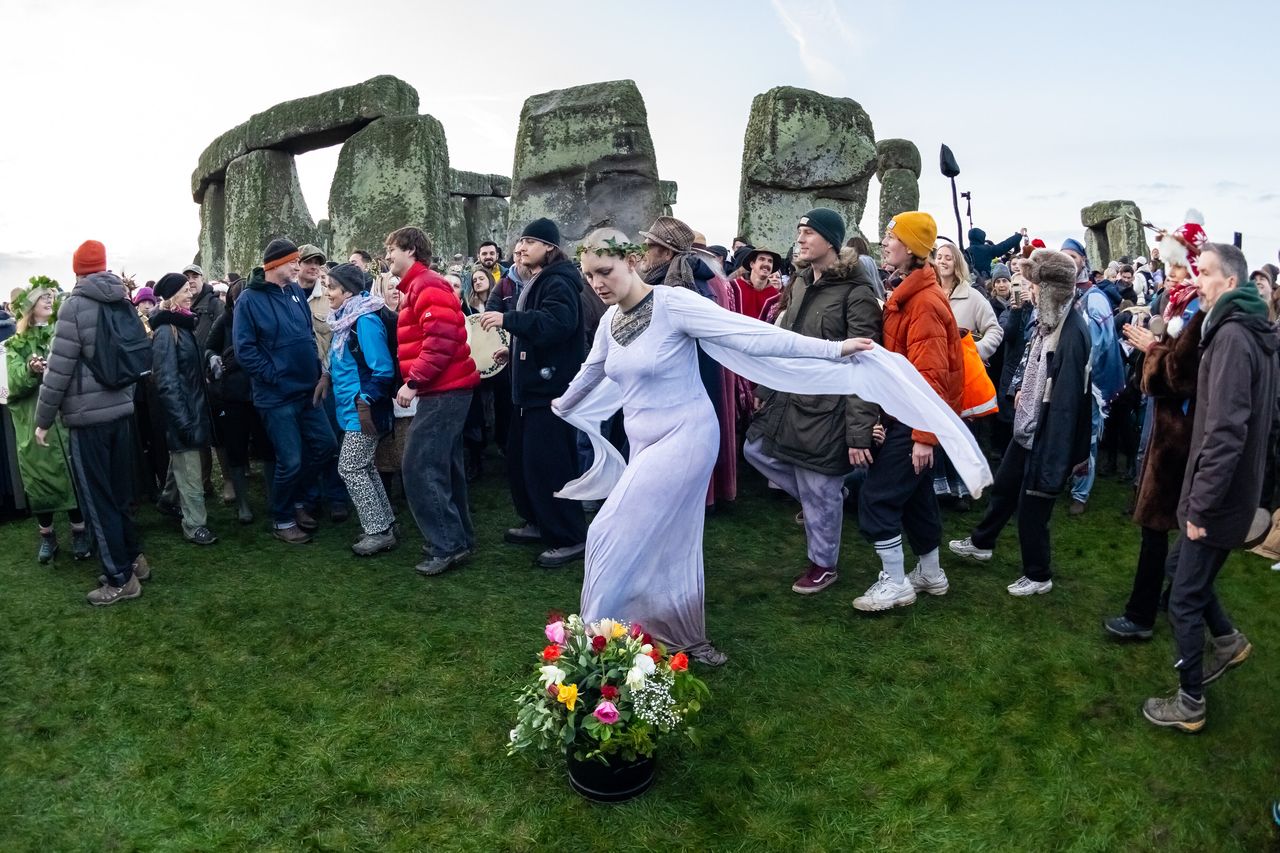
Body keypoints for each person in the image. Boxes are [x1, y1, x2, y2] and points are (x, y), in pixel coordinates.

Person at [556, 229, 879, 664]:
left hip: (686, 436)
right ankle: (679, 634)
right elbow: (591, 371)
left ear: (631, 261)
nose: (596, 283)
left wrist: (833, 349)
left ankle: (588, 645)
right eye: (589, 275)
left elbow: (750, 334)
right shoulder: (610, 322)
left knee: (605, 530)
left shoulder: (673, 303)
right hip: (644, 442)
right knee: (669, 540)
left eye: (604, 271)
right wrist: (561, 404)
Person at [1143, 243, 1277, 732]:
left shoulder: (1233, 338)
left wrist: (1200, 506)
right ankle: (1227, 640)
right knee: (1181, 571)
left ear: (1230, 282)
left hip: (1218, 500)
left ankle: (1190, 701)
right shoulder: (1246, 332)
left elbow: (1226, 431)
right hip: (1231, 495)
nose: (1195, 281)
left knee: (1183, 598)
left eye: (1204, 273)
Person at [744, 209, 881, 595]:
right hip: (788, 397)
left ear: (831, 242)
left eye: (809, 232)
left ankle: (824, 565)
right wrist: (765, 389)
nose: (800, 238)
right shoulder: (802, 282)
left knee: (819, 485)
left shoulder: (857, 293)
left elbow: (865, 364)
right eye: (799, 231)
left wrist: (859, 431)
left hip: (828, 407)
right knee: (755, 449)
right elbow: (785, 343)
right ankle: (829, 499)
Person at [948, 250, 1092, 595]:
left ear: (1051, 290)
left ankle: (1039, 575)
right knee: (1005, 487)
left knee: (1032, 509)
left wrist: (1054, 459)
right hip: (1027, 427)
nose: (1029, 291)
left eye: (1035, 286)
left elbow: (1067, 406)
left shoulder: (1071, 335)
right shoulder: (1049, 323)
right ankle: (982, 543)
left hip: (1046, 436)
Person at [853, 212, 964, 612]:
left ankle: (896, 583)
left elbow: (930, 377)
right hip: (909, 415)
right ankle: (930, 574)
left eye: (892, 237)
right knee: (917, 499)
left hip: (915, 418)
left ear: (912, 248)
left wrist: (923, 437)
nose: (885, 243)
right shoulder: (912, 293)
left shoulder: (924, 303)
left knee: (877, 497)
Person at [35, 240, 151, 605]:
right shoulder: (121, 299)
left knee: (98, 501)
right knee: (120, 494)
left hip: (88, 420)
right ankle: (134, 560)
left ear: (77, 270)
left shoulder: (74, 306)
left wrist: (43, 419)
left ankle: (119, 579)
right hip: (121, 411)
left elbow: (58, 370)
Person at [478, 218, 588, 568]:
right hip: (531, 391)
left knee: (552, 466)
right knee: (525, 463)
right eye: (521, 241)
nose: (521, 247)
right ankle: (540, 522)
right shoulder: (541, 278)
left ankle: (570, 537)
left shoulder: (558, 281)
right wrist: (513, 350)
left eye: (529, 241)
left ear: (549, 247)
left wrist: (508, 320)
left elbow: (557, 325)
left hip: (548, 392)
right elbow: (542, 332)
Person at [389, 226, 481, 575]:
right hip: (446, 390)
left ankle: (446, 545)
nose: (387, 256)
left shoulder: (426, 284)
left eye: (392, 249)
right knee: (444, 466)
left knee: (419, 466)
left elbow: (440, 340)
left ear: (410, 250)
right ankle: (459, 539)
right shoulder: (419, 286)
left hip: (444, 391)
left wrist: (414, 382)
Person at [233, 238, 337, 545]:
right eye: (293, 262)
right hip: (276, 397)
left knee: (325, 445)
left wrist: (316, 370)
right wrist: (274, 376)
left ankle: (300, 500)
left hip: (307, 390)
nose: (298, 266)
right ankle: (283, 519)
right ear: (275, 264)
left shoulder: (294, 292)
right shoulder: (248, 300)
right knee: (289, 460)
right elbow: (244, 350)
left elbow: (307, 335)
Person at [3, 280, 90, 562]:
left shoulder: (60, 334)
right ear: (30, 307)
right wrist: (30, 371)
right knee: (40, 480)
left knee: (73, 475)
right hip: (32, 421)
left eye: (51, 297)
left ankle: (79, 532)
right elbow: (10, 386)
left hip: (65, 417)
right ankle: (47, 536)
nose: (49, 300)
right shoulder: (14, 345)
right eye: (43, 298)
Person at [324, 263, 398, 556]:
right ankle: (386, 523)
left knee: (351, 467)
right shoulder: (346, 319)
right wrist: (326, 376)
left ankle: (378, 532)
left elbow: (383, 368)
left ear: (348, 291)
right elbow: (343, 362)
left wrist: (366, 402)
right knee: (365, 466)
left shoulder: (364, 321)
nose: (327, 293)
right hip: (351, 408)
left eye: (332, 287)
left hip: (363, 410)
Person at [148, 273, 216, 546]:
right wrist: (182, 419)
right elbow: (166, 381)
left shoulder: (184, 325)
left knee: (183, 461)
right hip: (184, 412)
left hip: (193, 409)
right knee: (190, 470)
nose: (191, 294)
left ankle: (168, 500)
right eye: (186, 290)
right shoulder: (167, 331)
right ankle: (195, 525)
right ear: (173, 296)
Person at [1062, 236, 1124, 516]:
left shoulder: (1095, 298)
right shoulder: (1062, 294)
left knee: (1086, 436)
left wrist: (1080, 372)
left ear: (1083, 261)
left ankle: (1081, 492)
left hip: (1089, 383)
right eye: (1063, 257)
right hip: (1066, 379)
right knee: (1066, 432)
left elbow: (1100, 344)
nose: (1068, 262)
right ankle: (1066, 478)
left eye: (1073, 257)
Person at [205, 279, 267, 525]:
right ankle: (243, 503)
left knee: (267, 447)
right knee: (236, 448)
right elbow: (209, 347)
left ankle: (273, 497)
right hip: (233, 395)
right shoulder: (225, 320)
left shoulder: (263, 318)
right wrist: (214, 360)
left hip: (261, 392)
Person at [298, 244, 350, 523]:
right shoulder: (287, 296)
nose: (313, 266)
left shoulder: (328, 296)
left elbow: (336, 339)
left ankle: (336, 496)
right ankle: (310, 497)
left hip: (327, 380)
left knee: (332, 439)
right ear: (297, 264)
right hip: (298, 381)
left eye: (317, 262)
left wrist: (327, 374)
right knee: (306, 443)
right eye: (308, 261)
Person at [729, 247, 782, 321]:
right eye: (762, 259)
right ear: (752, 264)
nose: (766, 264)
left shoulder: (776, 298)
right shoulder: (733, 287)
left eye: (770, 261)